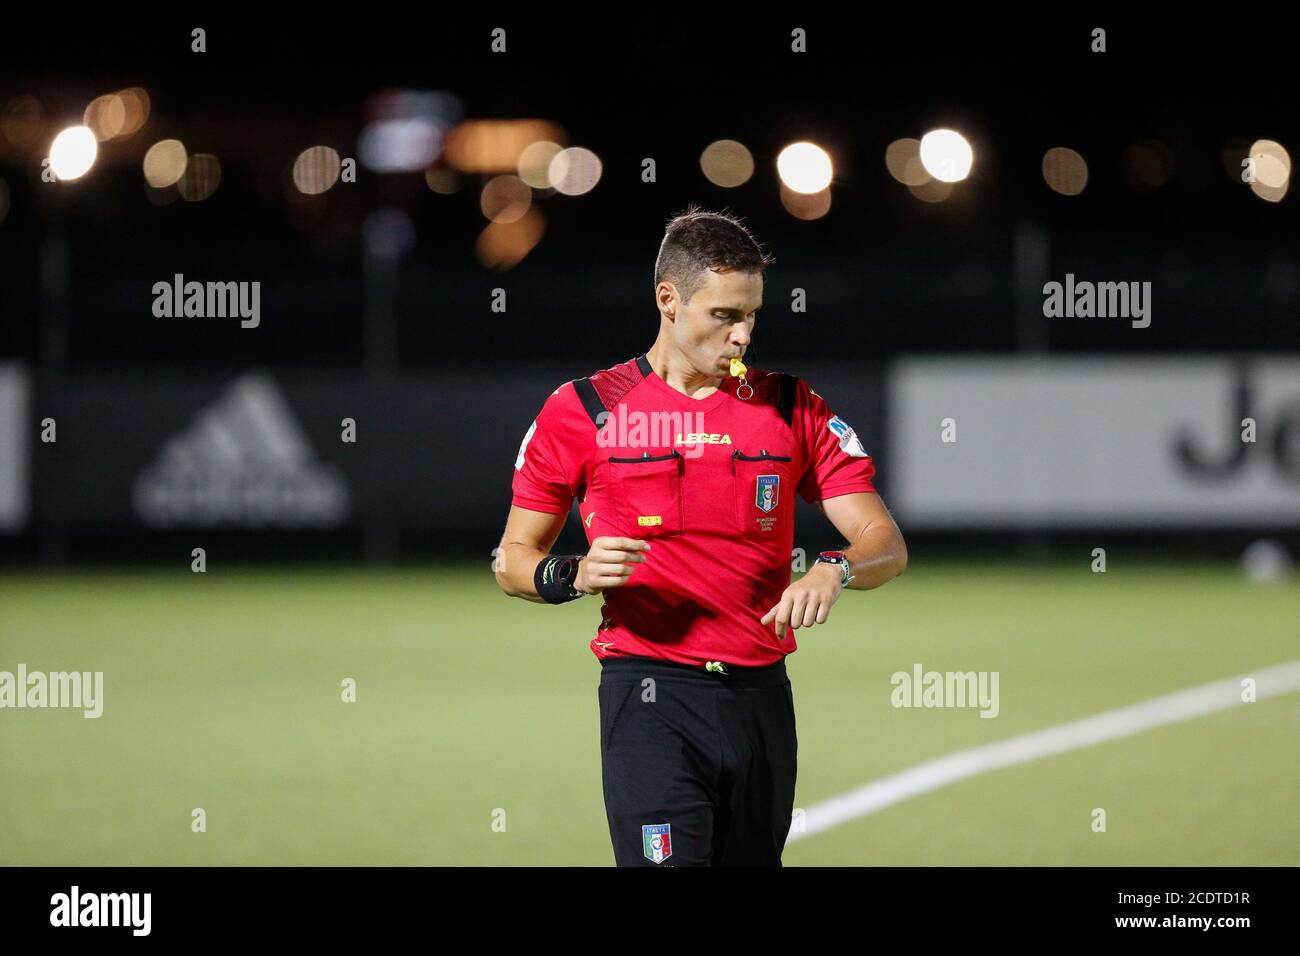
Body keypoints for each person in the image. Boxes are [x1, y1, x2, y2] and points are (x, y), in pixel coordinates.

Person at [494, 207, 907, 866]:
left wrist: (836, 567)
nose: (743, 334)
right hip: (648, 696)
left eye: (752, 314)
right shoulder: (586, 410)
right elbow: (512, 562)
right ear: (669, 300)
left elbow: (883, 540)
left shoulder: (790, 406)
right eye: (724, 315)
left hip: (760, 699)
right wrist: (573, 574)